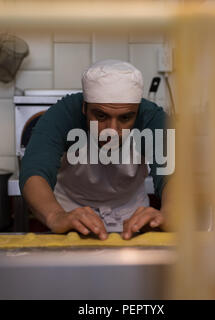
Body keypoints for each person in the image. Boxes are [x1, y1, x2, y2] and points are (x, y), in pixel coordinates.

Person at [19, 59, 172, 240]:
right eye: (100, 116)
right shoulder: (63, 114)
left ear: (137, 112)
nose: (112, 131)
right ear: (84, 107)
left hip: (132, 216)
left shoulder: (153, 119)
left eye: (125, 118)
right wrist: (55, 216)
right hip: (70, 215)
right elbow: (34, 170)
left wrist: (169, 215)